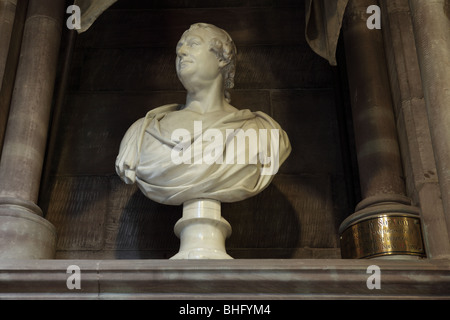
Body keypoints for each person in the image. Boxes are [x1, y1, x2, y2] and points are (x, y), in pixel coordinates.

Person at [115, 23, 291, 205]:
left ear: (222, 58)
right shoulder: (143, 133)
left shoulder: (263, 134)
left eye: (192, 44)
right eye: (179, 47)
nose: (181, 51)